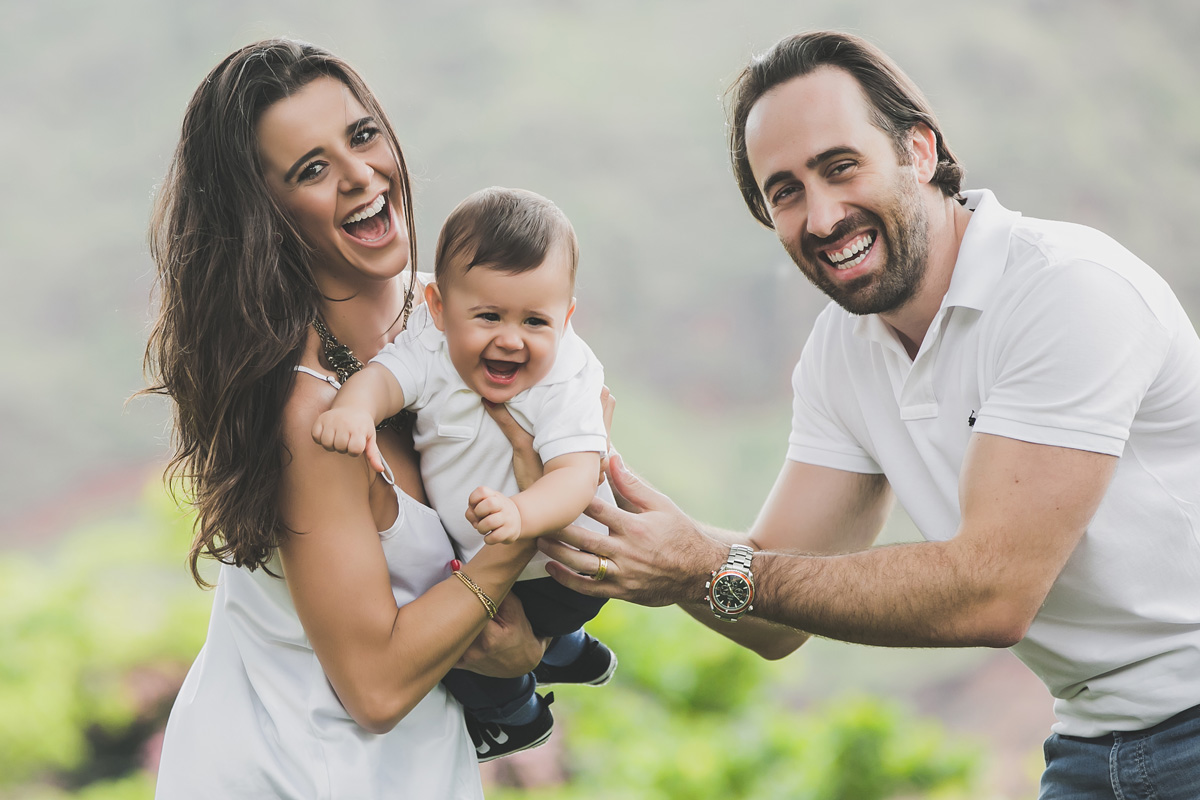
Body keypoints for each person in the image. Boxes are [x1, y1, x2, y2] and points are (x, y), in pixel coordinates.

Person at [539, 30, 1200, 798]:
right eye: (785, 191)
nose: (820, 217)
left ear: (920, 151)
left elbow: (992, 591)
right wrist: (615, 518)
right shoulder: (842, 351)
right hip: (1091, 748)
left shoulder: (1065, 291)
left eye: (840, 167)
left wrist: (704, 565)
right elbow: (773, 614)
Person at [144, 38, 564, 797]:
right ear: (265, 215)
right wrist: (516, 540)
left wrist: (525, 643)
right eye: (312, 170)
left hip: (409, 762)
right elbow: (373, 689)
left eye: (363, 136)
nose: (361, 176)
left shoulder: (461, 314)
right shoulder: (310, 415)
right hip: (292, 767)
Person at [312, 186, 618, 760]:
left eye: (536, 320)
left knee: (464, 654)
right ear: (439, 306)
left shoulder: (567, 375)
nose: (511, 338)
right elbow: (384, 379)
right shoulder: (430, 346)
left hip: (558, 567)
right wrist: (355, 409)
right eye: (488, 316)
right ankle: (566, 651)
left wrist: (523, 513)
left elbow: (579, 474)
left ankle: (516, 715)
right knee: (459, 612)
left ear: (567, 317)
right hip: (482, 550)